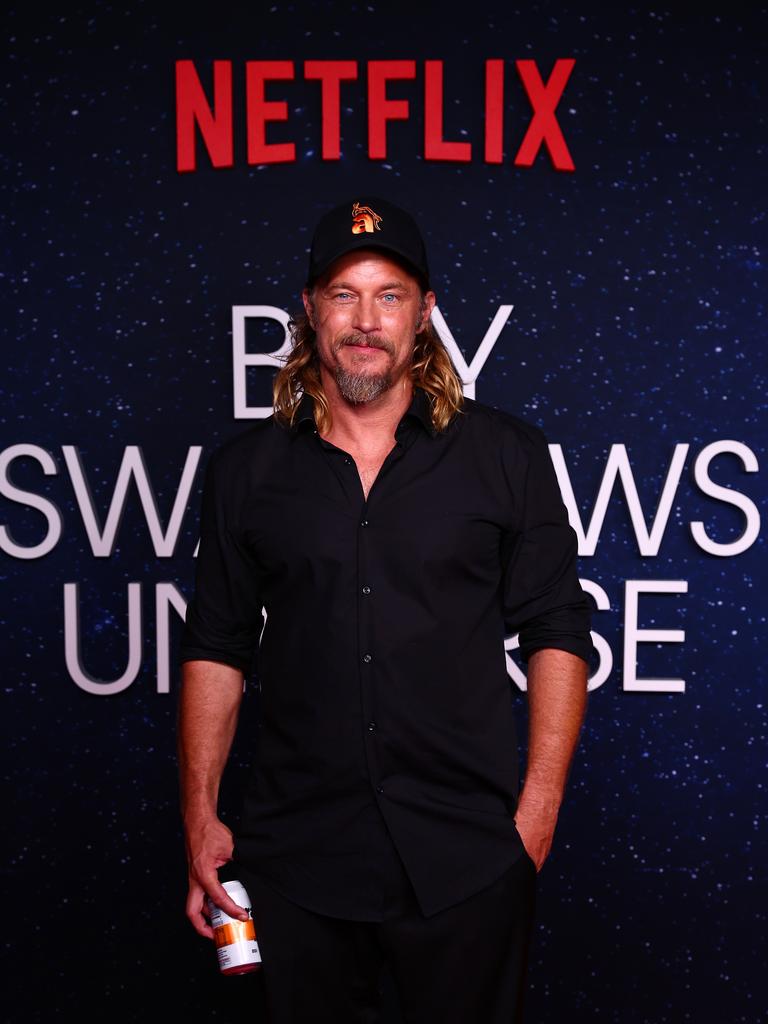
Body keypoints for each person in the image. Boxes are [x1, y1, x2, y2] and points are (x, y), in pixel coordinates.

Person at [177, 195, 592, 1023]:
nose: (366, 320)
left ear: (426, 312)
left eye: (390, 294)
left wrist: (535, 819)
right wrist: (199, 814)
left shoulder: (506, 455)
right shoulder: (246, 473)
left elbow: (556, 629)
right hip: (296, 864)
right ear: (309, 309)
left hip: (468, 861)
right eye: (343, 293)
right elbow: (216, 645)